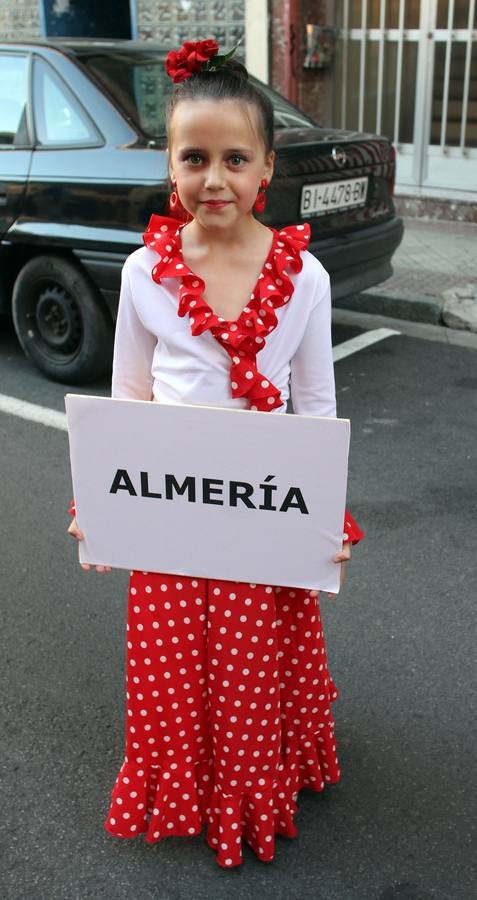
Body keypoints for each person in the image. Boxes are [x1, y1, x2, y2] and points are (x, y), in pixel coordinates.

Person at [68, 38, 364, 869]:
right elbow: (127, 396)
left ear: (266, 166)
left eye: (235, 158)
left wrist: (321, 520)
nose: (215, 179)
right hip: (168, 509)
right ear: (169, 166)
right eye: (194, 158)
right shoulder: (141, 273)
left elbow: (317, 406)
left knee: (250, 656)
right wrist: (102, 509)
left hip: (262, 511)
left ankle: (252, 778)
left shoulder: (303, 277)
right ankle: (187, 780)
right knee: (174, 659)